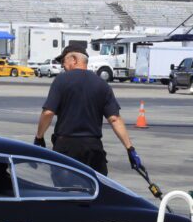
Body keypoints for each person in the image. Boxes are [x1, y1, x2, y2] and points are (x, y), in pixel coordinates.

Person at [34, 43, 141, 176]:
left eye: (63, 61)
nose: (62, 65)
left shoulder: (61, 80)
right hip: (93, 150)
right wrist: (130, 148)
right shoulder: (102, 84)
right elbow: (114, 119)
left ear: (74, 59)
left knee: (65, 188)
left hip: (66, 148)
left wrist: (39, 137)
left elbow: (48, 112)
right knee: (95, 187)